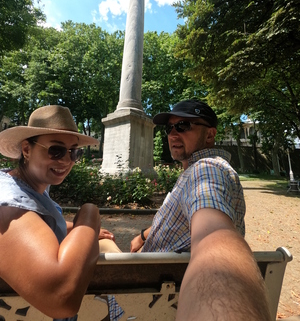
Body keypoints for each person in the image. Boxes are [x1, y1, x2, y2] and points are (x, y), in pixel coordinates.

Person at [108, 99, 272, 321]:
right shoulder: (197, 171)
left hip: (136, 305)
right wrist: (144, 234)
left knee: (100, 240)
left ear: (210, 135)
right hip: (153, 286)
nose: (173, 134)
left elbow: (215, 240)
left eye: (184, 125)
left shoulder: (206, 171)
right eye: (170, 128)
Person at [0, 105, 107, 321]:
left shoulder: (29, 185)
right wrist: (89, 215)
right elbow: (61, 299)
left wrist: (74, 229)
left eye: (74, 152)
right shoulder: (10, 206)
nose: (67, 161)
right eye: (55, 150)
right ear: (27, 150)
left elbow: (39, 221)